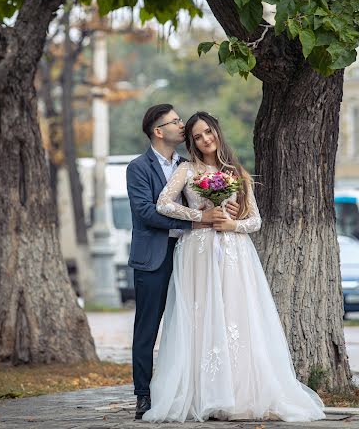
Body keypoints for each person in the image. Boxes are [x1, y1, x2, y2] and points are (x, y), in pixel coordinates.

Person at [142, 111, 325, 423]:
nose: (204, 140)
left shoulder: (237, 172)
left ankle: (239, 394)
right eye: (197, 137)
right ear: (192, 142)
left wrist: (231, 224)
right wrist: (199, 214)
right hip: (197, 253)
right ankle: (203, 395)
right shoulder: (186, 169)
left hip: (233, 253)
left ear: (217, 131)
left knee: (235, 317)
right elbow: (163, 204)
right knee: (202, 317)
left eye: (208, 132)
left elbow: (255, 221)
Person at [126, 104, 240, 420]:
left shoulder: (190, 166)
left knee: (193, 324)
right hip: (154, 258)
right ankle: (144, 395)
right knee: (147, 329)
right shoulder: (138, 167)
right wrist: (198, 221)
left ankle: (193, 390)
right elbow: (146, 213)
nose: (181, 125)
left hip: (193, 256)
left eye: (180, 121)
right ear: (158, 131)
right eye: (175, 122)